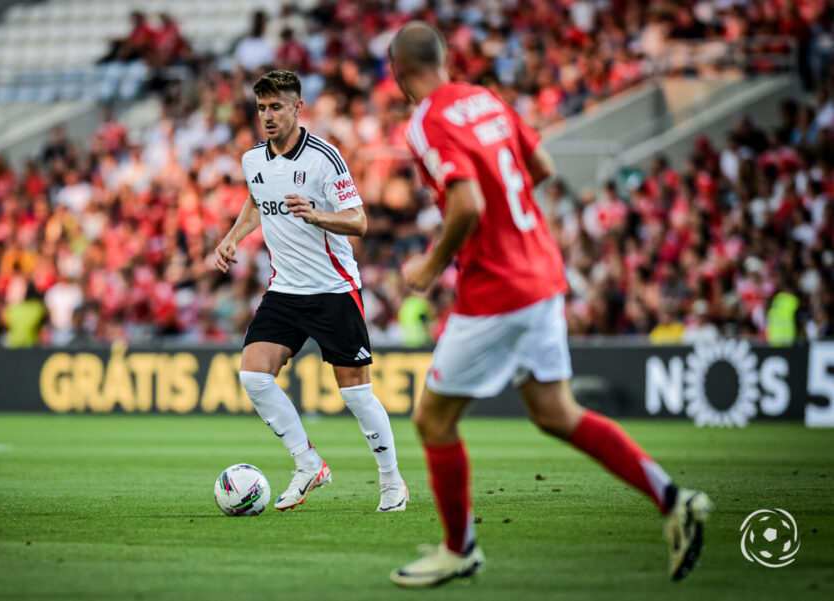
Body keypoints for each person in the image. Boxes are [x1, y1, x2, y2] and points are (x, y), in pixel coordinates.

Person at [385, 22, 712, 587]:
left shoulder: (427, 120)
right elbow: (541, 168)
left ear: (398, 74)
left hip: (497, 289)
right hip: (541, 274)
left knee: (432, 419)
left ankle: (459, 547)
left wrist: (429, 266)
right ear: (444, 58)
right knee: (556, 413)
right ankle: (672, 497)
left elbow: (465, 203)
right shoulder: (484, 100)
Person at [212, 70, 407, 512]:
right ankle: (308, 463)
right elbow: (257, 200)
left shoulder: (325, 157)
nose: (267, 116)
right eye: (261, 108)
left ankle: (392, 482)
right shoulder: (253, 160)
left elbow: (358, 221)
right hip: (285, 291)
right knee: (253, 375)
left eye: (276, 107)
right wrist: (232, 238)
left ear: (298, 108)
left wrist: (316, 215)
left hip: (334, 288)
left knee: (356, 393)